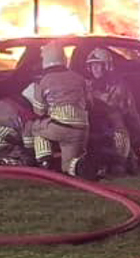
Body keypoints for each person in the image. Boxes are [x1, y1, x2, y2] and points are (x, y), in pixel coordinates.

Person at [22, 41, 93, 177]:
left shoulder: (45, 81)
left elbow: (39, 111)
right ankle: (80, 167)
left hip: (59, 126)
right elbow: (90, 103)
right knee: (68, 166)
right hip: (81, 129)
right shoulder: (79, 78)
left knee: (36, 128)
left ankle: (45, 163)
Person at [84, 45, 140, 176]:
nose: (95, 69)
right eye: (92, 65)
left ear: (107, 67)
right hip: (100, 128)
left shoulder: (118, 87)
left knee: (115, 122)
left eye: (98, 65)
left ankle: (121, 160)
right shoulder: (89, 86)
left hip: (122, 128)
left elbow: (119, 113)